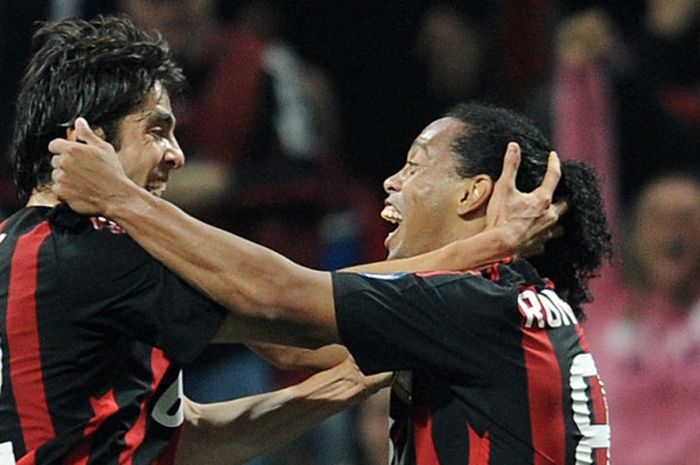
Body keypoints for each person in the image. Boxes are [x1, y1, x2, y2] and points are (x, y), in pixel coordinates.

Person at [0, 16, 564, 465]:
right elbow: (286, 308)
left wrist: (338, 388)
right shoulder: (103, 255)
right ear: (85, 142)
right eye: (156, 129)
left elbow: (183, 439)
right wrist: (485, 245)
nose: (176, 154)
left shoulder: (24, 248)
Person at [50, 96, 611, 463]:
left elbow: (278, 301)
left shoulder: (474, 302)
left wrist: (118, 197)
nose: (392, 181)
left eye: (415, 166)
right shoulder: (503, 300)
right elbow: (287, 339)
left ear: (473, 192)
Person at [585, 173, 700, 465]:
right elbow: (590, 174)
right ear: (632, 231)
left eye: (687, 216)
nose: (672, 228)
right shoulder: (600, 306)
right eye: (657, 216)